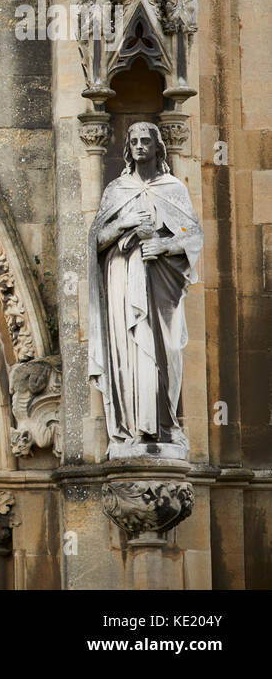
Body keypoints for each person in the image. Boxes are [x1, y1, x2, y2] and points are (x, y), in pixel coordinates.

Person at [88, 122, 202, 457]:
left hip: (161, 287)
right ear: (129, 148)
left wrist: (164, 246)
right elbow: (96, 240)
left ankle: (165, 428)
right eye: (134, 141)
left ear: (157, 147)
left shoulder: (173, 189)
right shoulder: (117, 190)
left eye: (145, 141)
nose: (139, 146)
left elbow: (192, 235)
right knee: (128, 354)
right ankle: (128, 430)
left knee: (165, 350)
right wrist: (123, 224)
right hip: (122, 283)